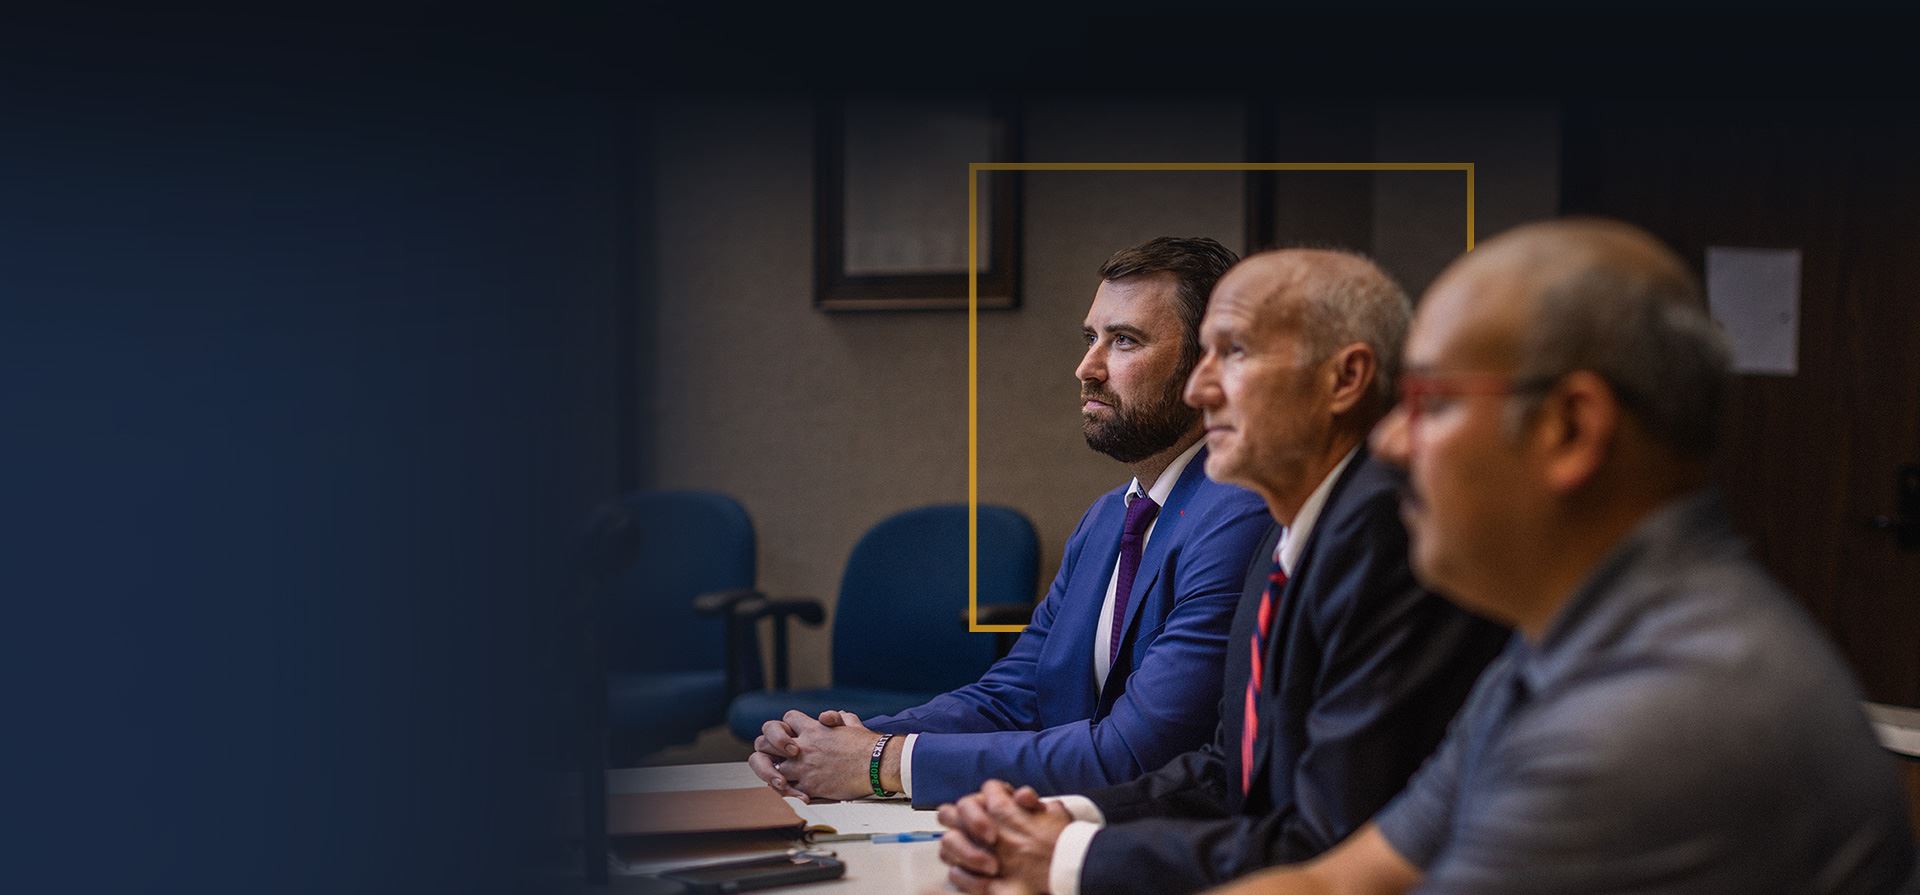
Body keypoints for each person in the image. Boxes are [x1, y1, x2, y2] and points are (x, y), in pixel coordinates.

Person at [1194, 218, 1917, 894]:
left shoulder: (1653, 718)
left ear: (1570, 428)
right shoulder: (1567, 641)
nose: (1389, 442)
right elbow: (1337, 881)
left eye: (1432, 403)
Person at [936, 248, 1510, 895]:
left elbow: (1324, 841)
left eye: (1233, 353)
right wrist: (1066, 817)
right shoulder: (1288, 532)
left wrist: (1071, 857)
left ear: (1345, 379)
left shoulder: (1381, 532)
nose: (1198, 388)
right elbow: (1228, 770)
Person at [745, 237, 1272, 807]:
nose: (1087, 368)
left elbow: (1137, 753)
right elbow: (1017, 694)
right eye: (1090, 338)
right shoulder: (1107, 518)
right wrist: (836, 744)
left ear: (1207, 366)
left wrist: (882, 762)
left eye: (1124, 340)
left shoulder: (1237, 514)